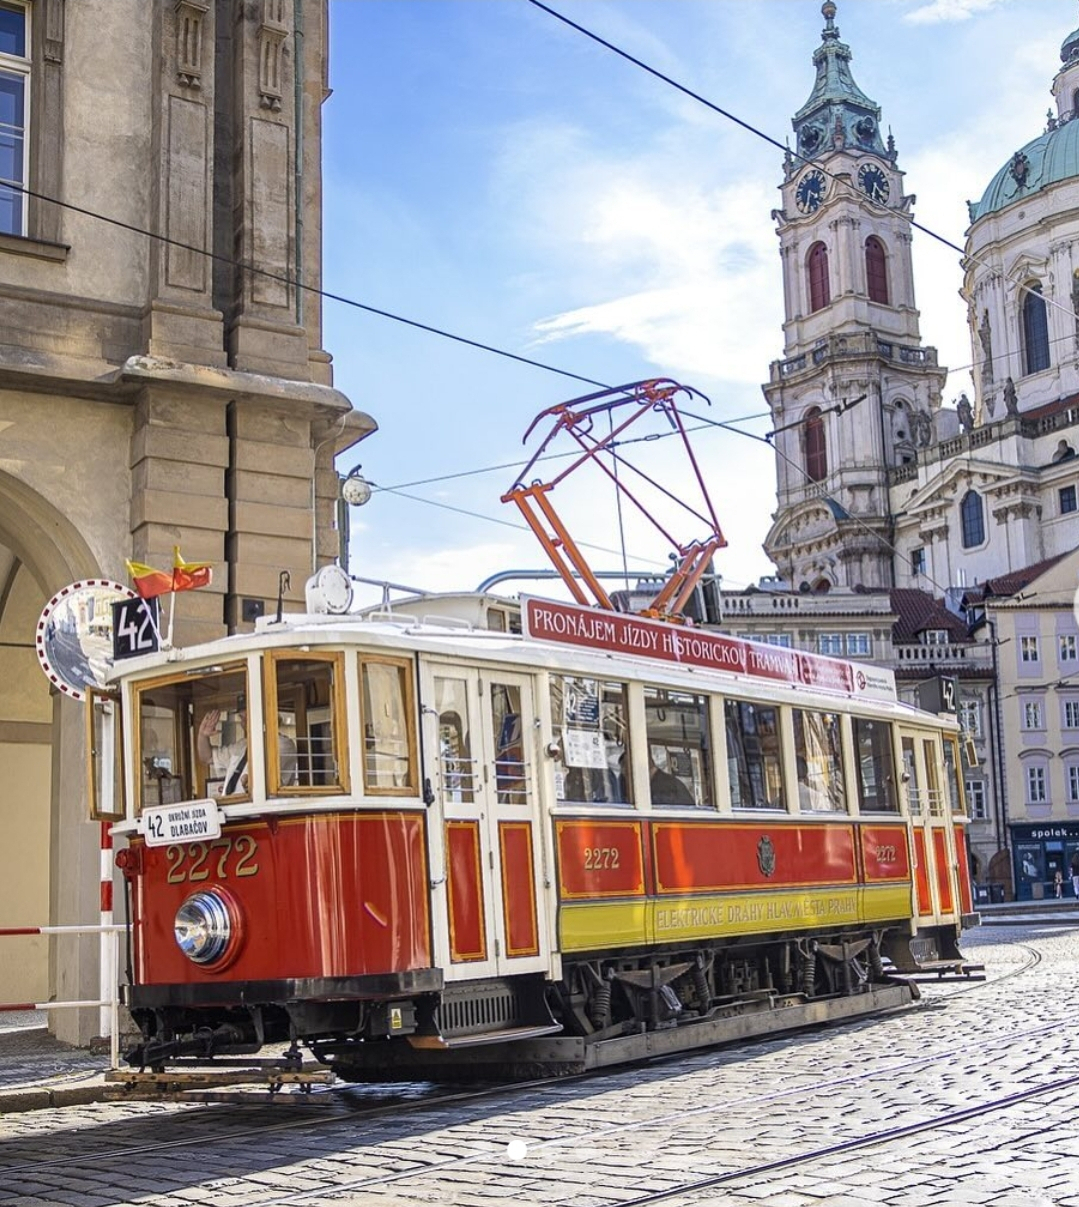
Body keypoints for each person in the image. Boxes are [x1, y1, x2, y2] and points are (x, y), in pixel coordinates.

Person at [197, 703, 298, 796]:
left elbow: (264, 781)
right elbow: (208, 757)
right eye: (242, 717)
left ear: (265, 716)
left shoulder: (282, 744)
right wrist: (202, 735)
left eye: (248, 716)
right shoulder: (242, 745)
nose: (244, 723)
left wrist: (249, 781)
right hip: (232, 809)